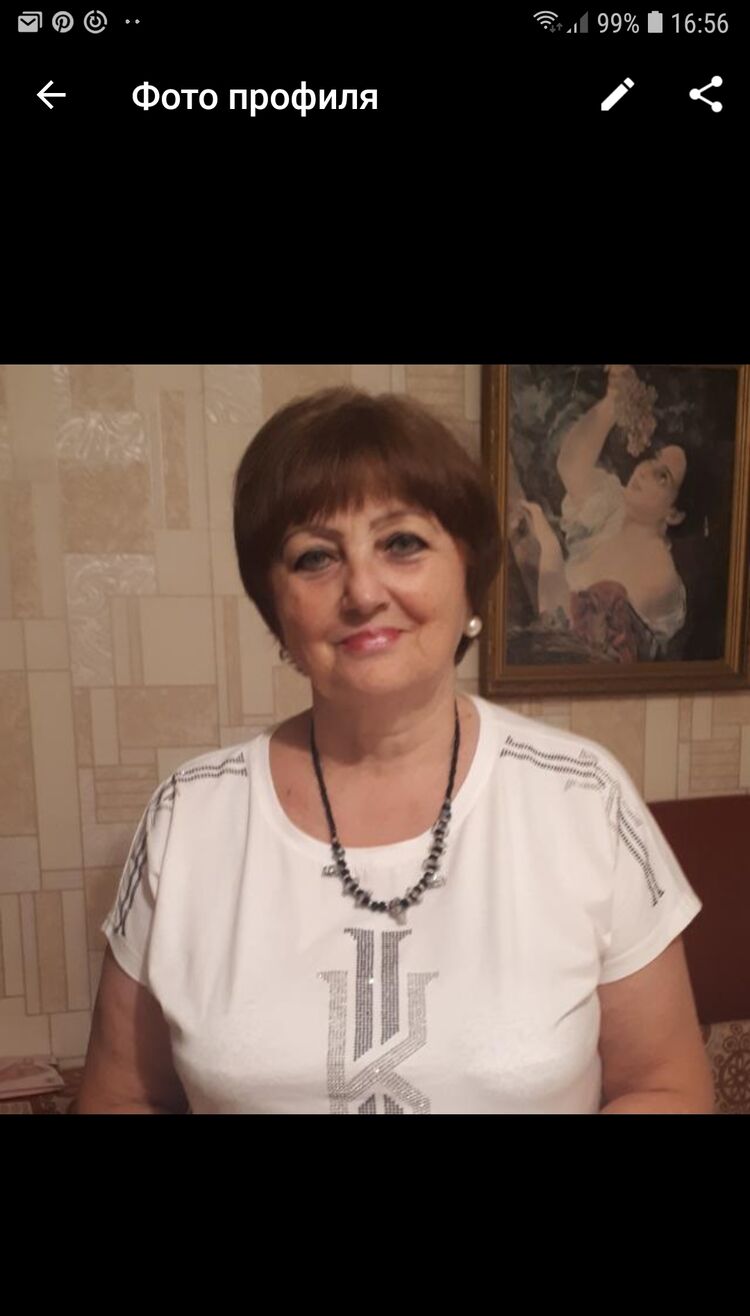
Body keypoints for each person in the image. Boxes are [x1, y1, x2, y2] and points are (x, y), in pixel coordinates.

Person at [75, 387, 713, 1114]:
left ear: (469, 572)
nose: (362, 591)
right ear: (276, 609)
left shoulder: (584, 797)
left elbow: (665, 1085)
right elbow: (120, 1096)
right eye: (315, 557)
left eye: (402, 543)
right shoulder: (189, 816)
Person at [518, 365, 689, 661]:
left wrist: (548, 543)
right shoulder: (613, 507)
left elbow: (566, 629)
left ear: (674, 514)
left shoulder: (658, 575)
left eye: (662, 477)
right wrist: (612, 402)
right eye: (652, 459)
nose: (644, 471)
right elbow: (571, 466)